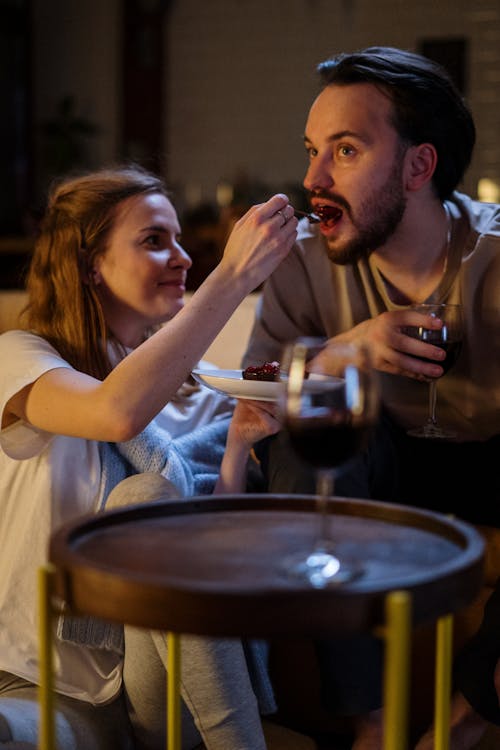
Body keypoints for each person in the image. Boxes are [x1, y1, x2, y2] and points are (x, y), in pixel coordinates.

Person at [242, 46, 500, 748]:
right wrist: (342, 350)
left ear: (420, 167)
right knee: (299, 439)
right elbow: (255, 400)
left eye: (345, 151)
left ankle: (463, 726)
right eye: (312, 151)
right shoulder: (301, 260)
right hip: (380, 463)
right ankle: (373, 726)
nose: (312, 179)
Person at [0, 164, 302, 749]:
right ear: (91, 265)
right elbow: (115, 412)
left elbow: (214, 557)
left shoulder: (192, 391)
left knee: (148, 499)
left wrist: (238, 446)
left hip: (159, 689)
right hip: (43, 689)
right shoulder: (22, 359)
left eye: (181, 240)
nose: (184, 258)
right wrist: (234, 275)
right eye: (154, 241)